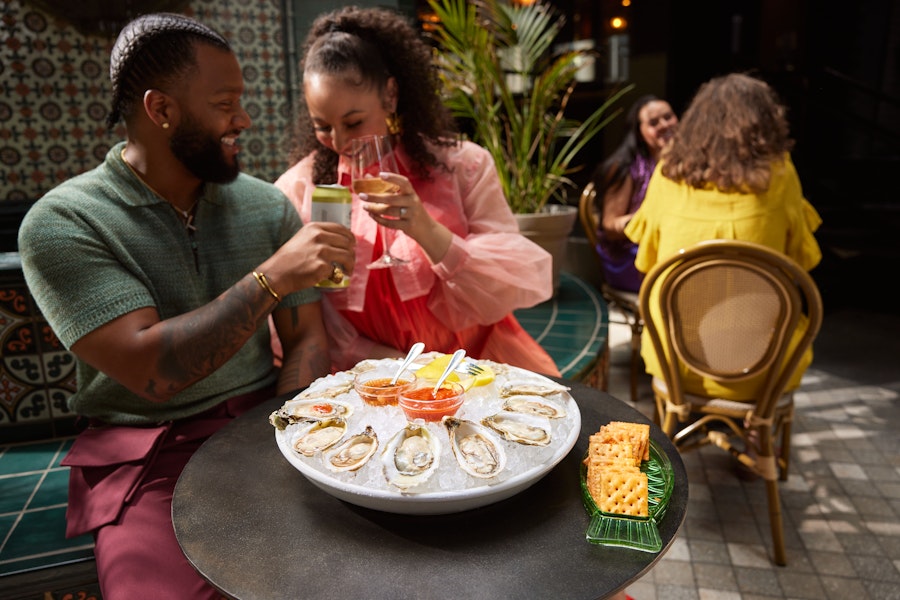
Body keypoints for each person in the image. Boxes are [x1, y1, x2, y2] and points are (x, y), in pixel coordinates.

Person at [17, 13, 355, 599]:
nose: (244, 120)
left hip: (265, 423)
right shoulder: (63, 223)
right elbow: (152, 374)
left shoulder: (265, 207)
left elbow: (305, 339)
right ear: (162, 110)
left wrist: (289, 439)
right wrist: (272, 277)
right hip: (148, 450)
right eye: (226, 103)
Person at [274, 6, 560, 377]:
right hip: (372, 376)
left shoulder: (463, 166)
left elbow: (509, 283)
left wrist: (424, 227)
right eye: (323, 126)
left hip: (473, 369)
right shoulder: (299, 187)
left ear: (390, 95)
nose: (340, 142)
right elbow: (307, 311)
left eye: (354, 122)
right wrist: (389, 363)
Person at [625, 72, 823, 400]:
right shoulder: (782, 173)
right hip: (766, 369)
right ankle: (759, 435)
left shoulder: (666, 173)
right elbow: (802, 262)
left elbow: (647, 263)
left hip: (675, 364)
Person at [590, 94, 677, 292]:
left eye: (668, 117)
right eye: (654, 122)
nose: (664, 125)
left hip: (664, 247)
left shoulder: (686, 163)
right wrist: (648, 221)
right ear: (640, 132)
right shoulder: (626, 167)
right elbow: (610, 226)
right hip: (628, 256)